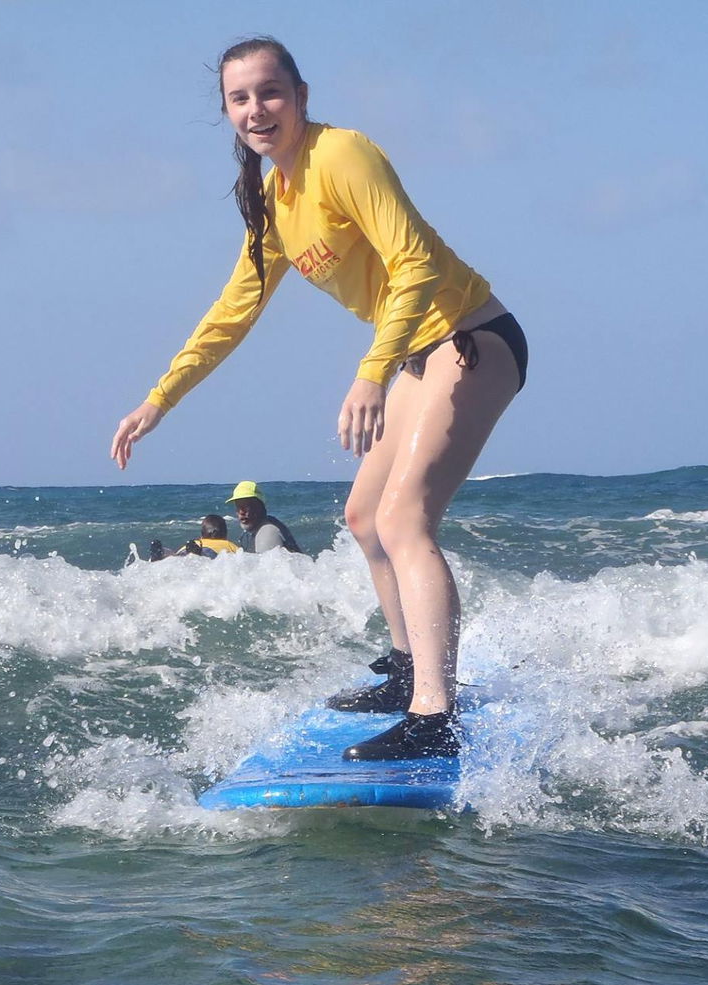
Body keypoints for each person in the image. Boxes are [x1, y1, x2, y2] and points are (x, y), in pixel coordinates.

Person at [108, 37, 527, 761]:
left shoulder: (343, 156)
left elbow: (416, 264)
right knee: (365, 516)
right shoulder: (274, 197)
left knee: (404, 519)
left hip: (471, 340)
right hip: (416, 354)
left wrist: (372, 372)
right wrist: (160, 399)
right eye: (239, 98)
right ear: (227, 113)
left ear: (300, 95)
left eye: (270, 92)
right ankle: (407, 673)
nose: (256, 109)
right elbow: (234, 308)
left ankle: (436, 715)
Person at [225, 481, 301, 553]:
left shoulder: (267, 532)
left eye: (246, 506)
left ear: (259, 507)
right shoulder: (271, 522)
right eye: (238, 506)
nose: (241, 512)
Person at [169, 513, 242, 558]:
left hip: (186, 553)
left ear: (201, 535)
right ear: (225, 534)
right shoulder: (230, 546)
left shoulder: (189, 545)